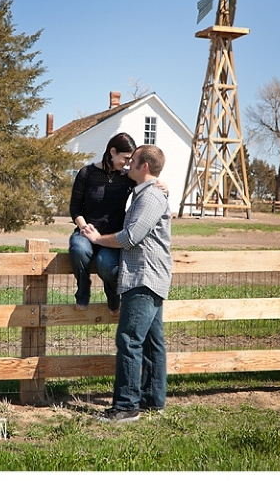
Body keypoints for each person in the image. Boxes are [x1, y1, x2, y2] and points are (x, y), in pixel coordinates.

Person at [81, 145, 172, 423]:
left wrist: (97, 240)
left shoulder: (151, 198)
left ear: (145, 167)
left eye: (133, 162)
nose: (128, 165)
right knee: (151, 342)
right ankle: (151, 401)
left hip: (143, 277)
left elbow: (131, 237)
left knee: (129, 340)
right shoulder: (146, 194)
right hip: (148, 276)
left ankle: (125, 406)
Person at [68, 133, 168, 314]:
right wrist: (84, 227)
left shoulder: (127, 177)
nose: (128, 163)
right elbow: (75, 208)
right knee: (78, 250)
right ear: (112, 152)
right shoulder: (86, 174)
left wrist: (164, 187)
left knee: (105, 264)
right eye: (125, 158)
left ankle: (113, 298)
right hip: (87, 229)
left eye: (131, 160)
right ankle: (82, 292)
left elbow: (148, 181)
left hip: (113, 235)